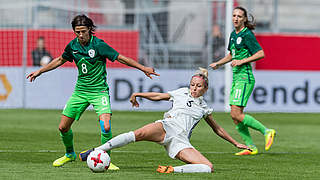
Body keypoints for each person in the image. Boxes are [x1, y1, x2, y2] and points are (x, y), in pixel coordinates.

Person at [26, 14, 159, 169]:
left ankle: (106, 159)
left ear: (90, 29)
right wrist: (40, 71)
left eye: (83, 31)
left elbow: (121, 58)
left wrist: (143, 68)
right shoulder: (72, 46)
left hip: (99, 91)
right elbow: (60, 60)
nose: (81, 35)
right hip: (80, 92)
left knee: (106, 126)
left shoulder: (99, 45)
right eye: (77, 32)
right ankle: (69, 154)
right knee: (63, 127)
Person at [79, 68, 250, 173]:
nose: (194, 88)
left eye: (198, 86)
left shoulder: (204, 108)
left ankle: (171, 170)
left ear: (205, 89)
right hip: (167, 127)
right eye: (192, 84)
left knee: (208, 167)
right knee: (137, 134)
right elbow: (159, 96)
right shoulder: (181, 92)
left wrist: (235, 143)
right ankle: (95, 150)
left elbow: (217, 129)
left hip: (180, 140)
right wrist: (139, 94)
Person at [209, 6, 276, 155]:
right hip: (236, 78)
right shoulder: (233, 34)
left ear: (244, 19)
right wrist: (219, 63)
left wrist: (243, 61)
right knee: (236, 118)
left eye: (239, 16)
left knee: (236, 114)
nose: (236, 18)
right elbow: (232, 55)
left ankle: (267, 131)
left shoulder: (247, 35)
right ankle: (251, 146)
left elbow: (260, 53)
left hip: (244, 78)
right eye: (234, 16)